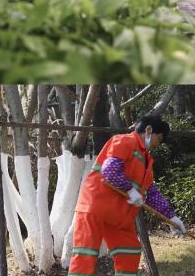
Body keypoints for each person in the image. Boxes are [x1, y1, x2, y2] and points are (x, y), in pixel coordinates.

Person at [68, 115, 186, 276]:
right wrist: (130, 190)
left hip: (119, 216)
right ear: (149, 130)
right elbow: (109, 170)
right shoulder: (124, 141)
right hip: (95, 207)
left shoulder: (147, 162)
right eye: (159, 139)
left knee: (129, 251)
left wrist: (171, 218)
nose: (158, 144)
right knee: (85, 255)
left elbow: (151, 193)